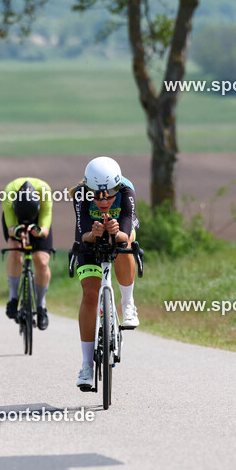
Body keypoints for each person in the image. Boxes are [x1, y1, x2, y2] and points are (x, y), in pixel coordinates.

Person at [71, 156, 140, 391]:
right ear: (88, 188)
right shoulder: (80, 194)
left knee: (125, 246)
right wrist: (95, 233)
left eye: (109, 193)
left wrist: (115, 232)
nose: (102, 200)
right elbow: (83, 234)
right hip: (90, 238)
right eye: (96, 194)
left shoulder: (127, 191)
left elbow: (128, 228)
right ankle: (86, 366)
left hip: (119, 231)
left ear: (118, 187)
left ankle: (128, 304)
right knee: (90, 294)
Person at [1, 177, 54, 329]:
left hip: (38, 219)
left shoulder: (44, 192)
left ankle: (41, 306)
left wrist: (37, 231)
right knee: (15, 248)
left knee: (42, 260)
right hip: (14, 217)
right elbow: (11, 228)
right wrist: (17, 232)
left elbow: (45, 229)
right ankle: (13, 297)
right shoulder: (9, 193)